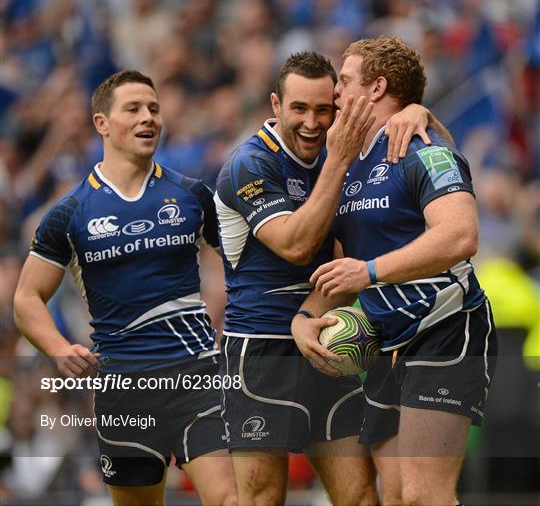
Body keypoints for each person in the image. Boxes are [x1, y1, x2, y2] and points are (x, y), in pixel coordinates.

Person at [215, 51, 449, 506]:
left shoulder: (338, 147)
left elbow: (431, 148)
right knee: (262, 497)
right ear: (275, 105)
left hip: (333, 341)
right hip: (261, 350)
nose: (312, 122)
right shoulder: (249, 163)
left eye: (324, 109)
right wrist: (338, 160)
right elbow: (297, 245)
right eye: (299, 109)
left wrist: (419, 112)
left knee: (361, 496)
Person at [13, 70, 237, 506]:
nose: (148, 118)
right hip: (124, 388)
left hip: (197, 376)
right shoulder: (70, 213)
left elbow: (243, 265)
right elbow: (25, 299)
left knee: (229, 498)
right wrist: (59, 348)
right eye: (133, 109)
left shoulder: (192, 196)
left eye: (153, 108)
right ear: (101, 123)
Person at [291, 37, 498, 506]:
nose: (334, 93)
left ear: (377, 87)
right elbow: (343, 265)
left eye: (344, 81)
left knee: (427, 496)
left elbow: (460, 236)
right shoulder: (345, 164)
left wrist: (369, 272)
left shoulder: (424, 147)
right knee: (400, 496)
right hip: (386, 341)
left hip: (445, 327)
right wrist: (303, 318)